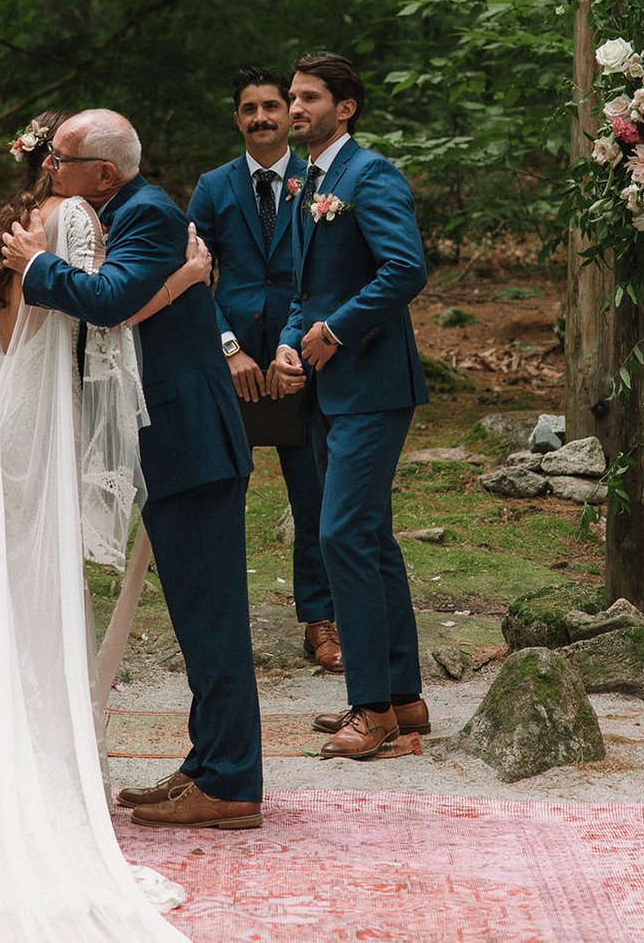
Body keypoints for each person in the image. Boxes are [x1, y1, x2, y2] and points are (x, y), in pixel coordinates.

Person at [0, 111, 212, 941]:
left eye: (60, 154)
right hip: (37, 428)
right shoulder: (73, 221)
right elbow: (107, 318)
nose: (54, 163)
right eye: (55, 155)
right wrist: (186, 282)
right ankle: (37, 770)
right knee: (36, 591)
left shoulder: (22, 223)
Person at [1, 108, 264, 832]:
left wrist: (36, 268)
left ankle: (233, 783)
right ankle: (207, 767)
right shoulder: (122, 212)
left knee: (213, 620)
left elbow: (111, 302)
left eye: (62, 158)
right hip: (171, 444)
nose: (49, 166)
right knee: (196, 617)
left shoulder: (146, 213)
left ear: (105, 173)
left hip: (193, 446)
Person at [270, 52, 432, 759]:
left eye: (308, 98)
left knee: (340, 535)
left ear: (347, 107)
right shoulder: (312, 180)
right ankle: (403, 698)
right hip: (329, 389)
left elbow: (405, 269)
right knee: (369, 537)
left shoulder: (371, 175)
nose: (293, 109)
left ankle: (368, 708)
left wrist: (336, 332)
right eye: (291, 98)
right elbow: (306, 286)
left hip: (372, 385)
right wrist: (286, 342)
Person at [187, 67, 340, 671]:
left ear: (291, 113)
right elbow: (194, 277)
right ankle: (223, 629)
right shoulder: (213, 186)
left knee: (315, 498)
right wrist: (229, 349)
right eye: (249, 109)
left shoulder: (320, 181)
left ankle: (320, 620)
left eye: (272, 106)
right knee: (224, 498)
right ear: (237, 118)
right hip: (234, 370)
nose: (262, 119)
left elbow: (330, 273)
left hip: (301, 365)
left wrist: (291, 352)